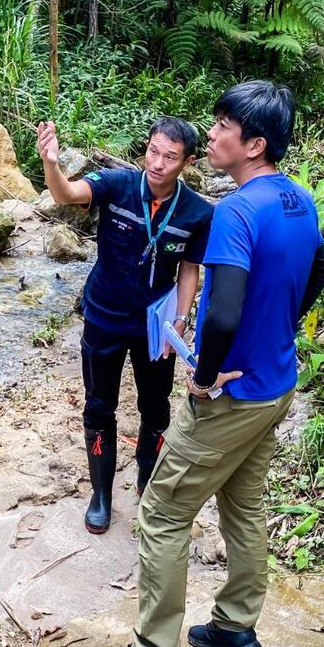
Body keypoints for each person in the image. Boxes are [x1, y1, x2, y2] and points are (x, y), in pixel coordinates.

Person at [94, 81, 324, 647]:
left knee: (163, 512)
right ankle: (234, 625)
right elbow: (317, 279)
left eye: (224, 126)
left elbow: (221, 312)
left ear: (253, 145)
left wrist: (203, 375)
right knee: (244, 505)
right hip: (277, 384)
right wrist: (275, 333)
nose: (214, 133)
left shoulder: (235, 212)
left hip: (231, 397)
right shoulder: (299, 202)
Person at [36, 117, 214, 534]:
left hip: (154, 328)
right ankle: (101, 494)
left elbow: (190, 269)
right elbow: (66, 194)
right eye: (153, 151)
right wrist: (51, 164)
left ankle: (147, 484)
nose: (158, 163)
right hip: (103, 317)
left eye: (170, 157)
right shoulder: (116, 184)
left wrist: (181, 319)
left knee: (155, 409)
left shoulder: (197, 212)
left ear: (187, 162)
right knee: (100, 405)